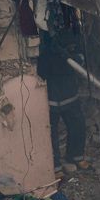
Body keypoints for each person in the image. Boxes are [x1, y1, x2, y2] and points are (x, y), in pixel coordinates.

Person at [37, 29, 89, 174]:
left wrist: (67, 56)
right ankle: (56, 166)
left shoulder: (71, 32)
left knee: (78, 125)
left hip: (70, 93)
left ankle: (76, 156)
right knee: (50, 132)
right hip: (52, 97)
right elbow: (41, 71)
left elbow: (80, 59)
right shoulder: (45, 48)